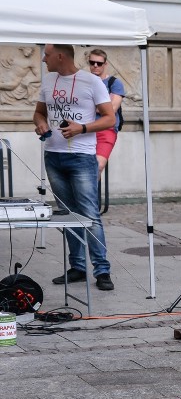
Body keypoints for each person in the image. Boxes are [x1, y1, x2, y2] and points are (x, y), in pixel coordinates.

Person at [33, 44, 116, 291]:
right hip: (53, 157)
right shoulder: (48, 80)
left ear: (60, 56)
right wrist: (40, 124)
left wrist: (81, 128)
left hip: (81, 158)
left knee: (89, 215)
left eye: (47, 55)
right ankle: (78, 268)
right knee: (68, 215)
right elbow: (39, 113)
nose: (43, 59)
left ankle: (102, 270)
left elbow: (109, 118)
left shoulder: (91, 82)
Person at [87, 49, 125, 177]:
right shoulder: (85, 82)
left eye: (99, 63)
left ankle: (89, 197)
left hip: (106, 129)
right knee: (80, 167)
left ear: (105, 64)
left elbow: (111, 109)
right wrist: (102, 104)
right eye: (92, 63)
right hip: (85, 129)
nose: (95, 66)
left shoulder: (114, 83)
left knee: (98, 165)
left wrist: (90, 104)